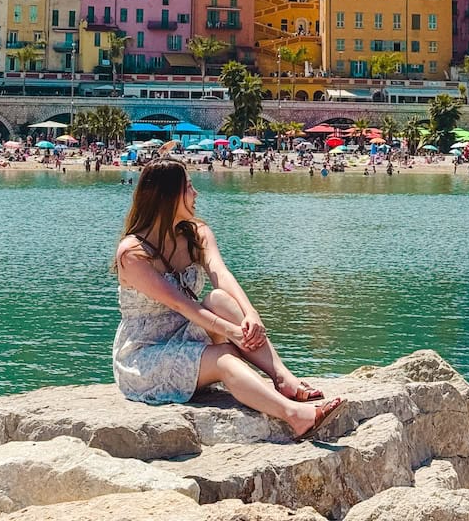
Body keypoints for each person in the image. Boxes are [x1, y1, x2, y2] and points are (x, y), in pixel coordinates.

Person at [112, 159, 344, 440]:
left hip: (186, 335)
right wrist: (232, 332)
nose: (196, 193)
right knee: (225, 357)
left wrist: (250, 315)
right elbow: (180, 304)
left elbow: (220, 274)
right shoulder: (133, 254)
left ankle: (283, 378)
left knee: (219, 298)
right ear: (167, 196)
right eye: (188, 187)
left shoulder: (195, 234)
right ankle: (295, 416)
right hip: (146, 357)